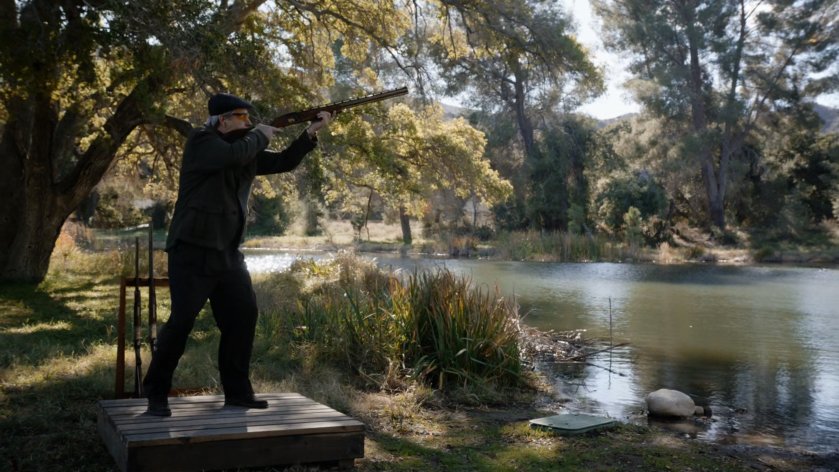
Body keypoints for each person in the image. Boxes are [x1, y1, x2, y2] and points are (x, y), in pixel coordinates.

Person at [143, 93, 333, 417]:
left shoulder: (242, 149)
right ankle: (156, 393)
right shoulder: (202, 142)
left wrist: (310, 132)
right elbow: (230, 156)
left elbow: (283, 161)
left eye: (249, 119)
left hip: (227, 254)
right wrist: (260, 134)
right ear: (222, 120)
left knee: (243, 316)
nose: (247, 123)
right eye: (241, 118)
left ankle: (237, 393)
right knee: (181, 323)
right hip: (192, 251)